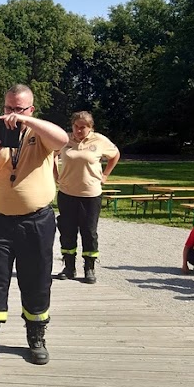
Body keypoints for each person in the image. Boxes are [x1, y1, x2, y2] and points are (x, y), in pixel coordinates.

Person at [0, 84, 68, 371]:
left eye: (19, 109)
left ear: (31, 109)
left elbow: (62, 139)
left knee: (37, 280)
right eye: (8, 108)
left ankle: (36, 337)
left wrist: (28, 122)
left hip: (36, 221)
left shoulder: (39, 134)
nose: (12, 115)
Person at [54, 111, 121, 284]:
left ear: (91, 127)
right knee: (67, 231)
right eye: (75, 126)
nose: (78, 130)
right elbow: (51, 154)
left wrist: (105, 175)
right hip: (67, 193)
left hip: (90, 195)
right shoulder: (65, 139)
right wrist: (55, 174)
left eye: (83, 127)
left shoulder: (99, 140)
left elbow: (115, 155)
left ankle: (89, 268)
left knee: (89, 232)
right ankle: (69, 267)